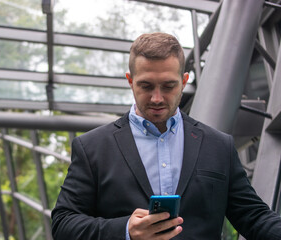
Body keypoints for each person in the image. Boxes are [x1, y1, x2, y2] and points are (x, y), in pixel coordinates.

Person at [51, 32, 281, 240]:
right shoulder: (92, 147)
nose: (157, 98)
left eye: (168, 86)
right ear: (130, 81)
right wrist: (125, 231)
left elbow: (253, 216)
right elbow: (63, 223)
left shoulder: (219, 145)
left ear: (184, 81)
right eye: (146, 86)